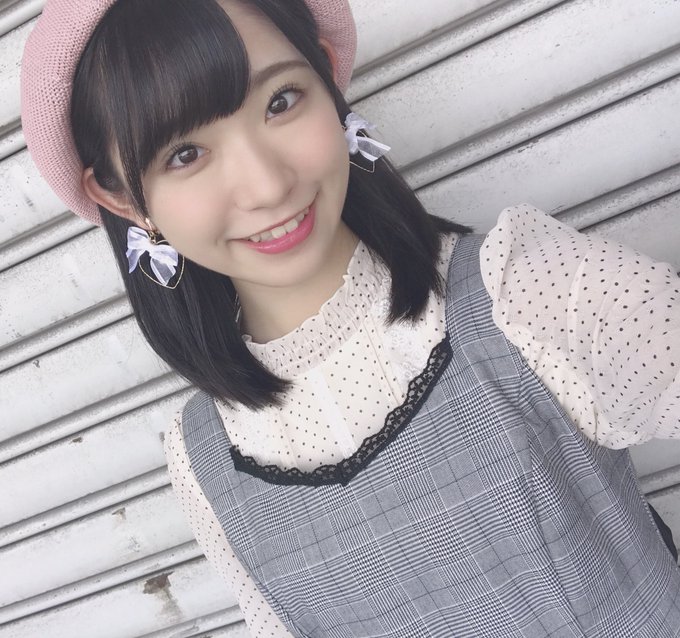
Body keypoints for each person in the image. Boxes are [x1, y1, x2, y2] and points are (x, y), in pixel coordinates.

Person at [20, 0, 680, 636]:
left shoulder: (523, 288)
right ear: (121, 197)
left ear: (328, 78)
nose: (267, 185)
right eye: (185, 154)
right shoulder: (202, 462)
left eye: (281, 101)